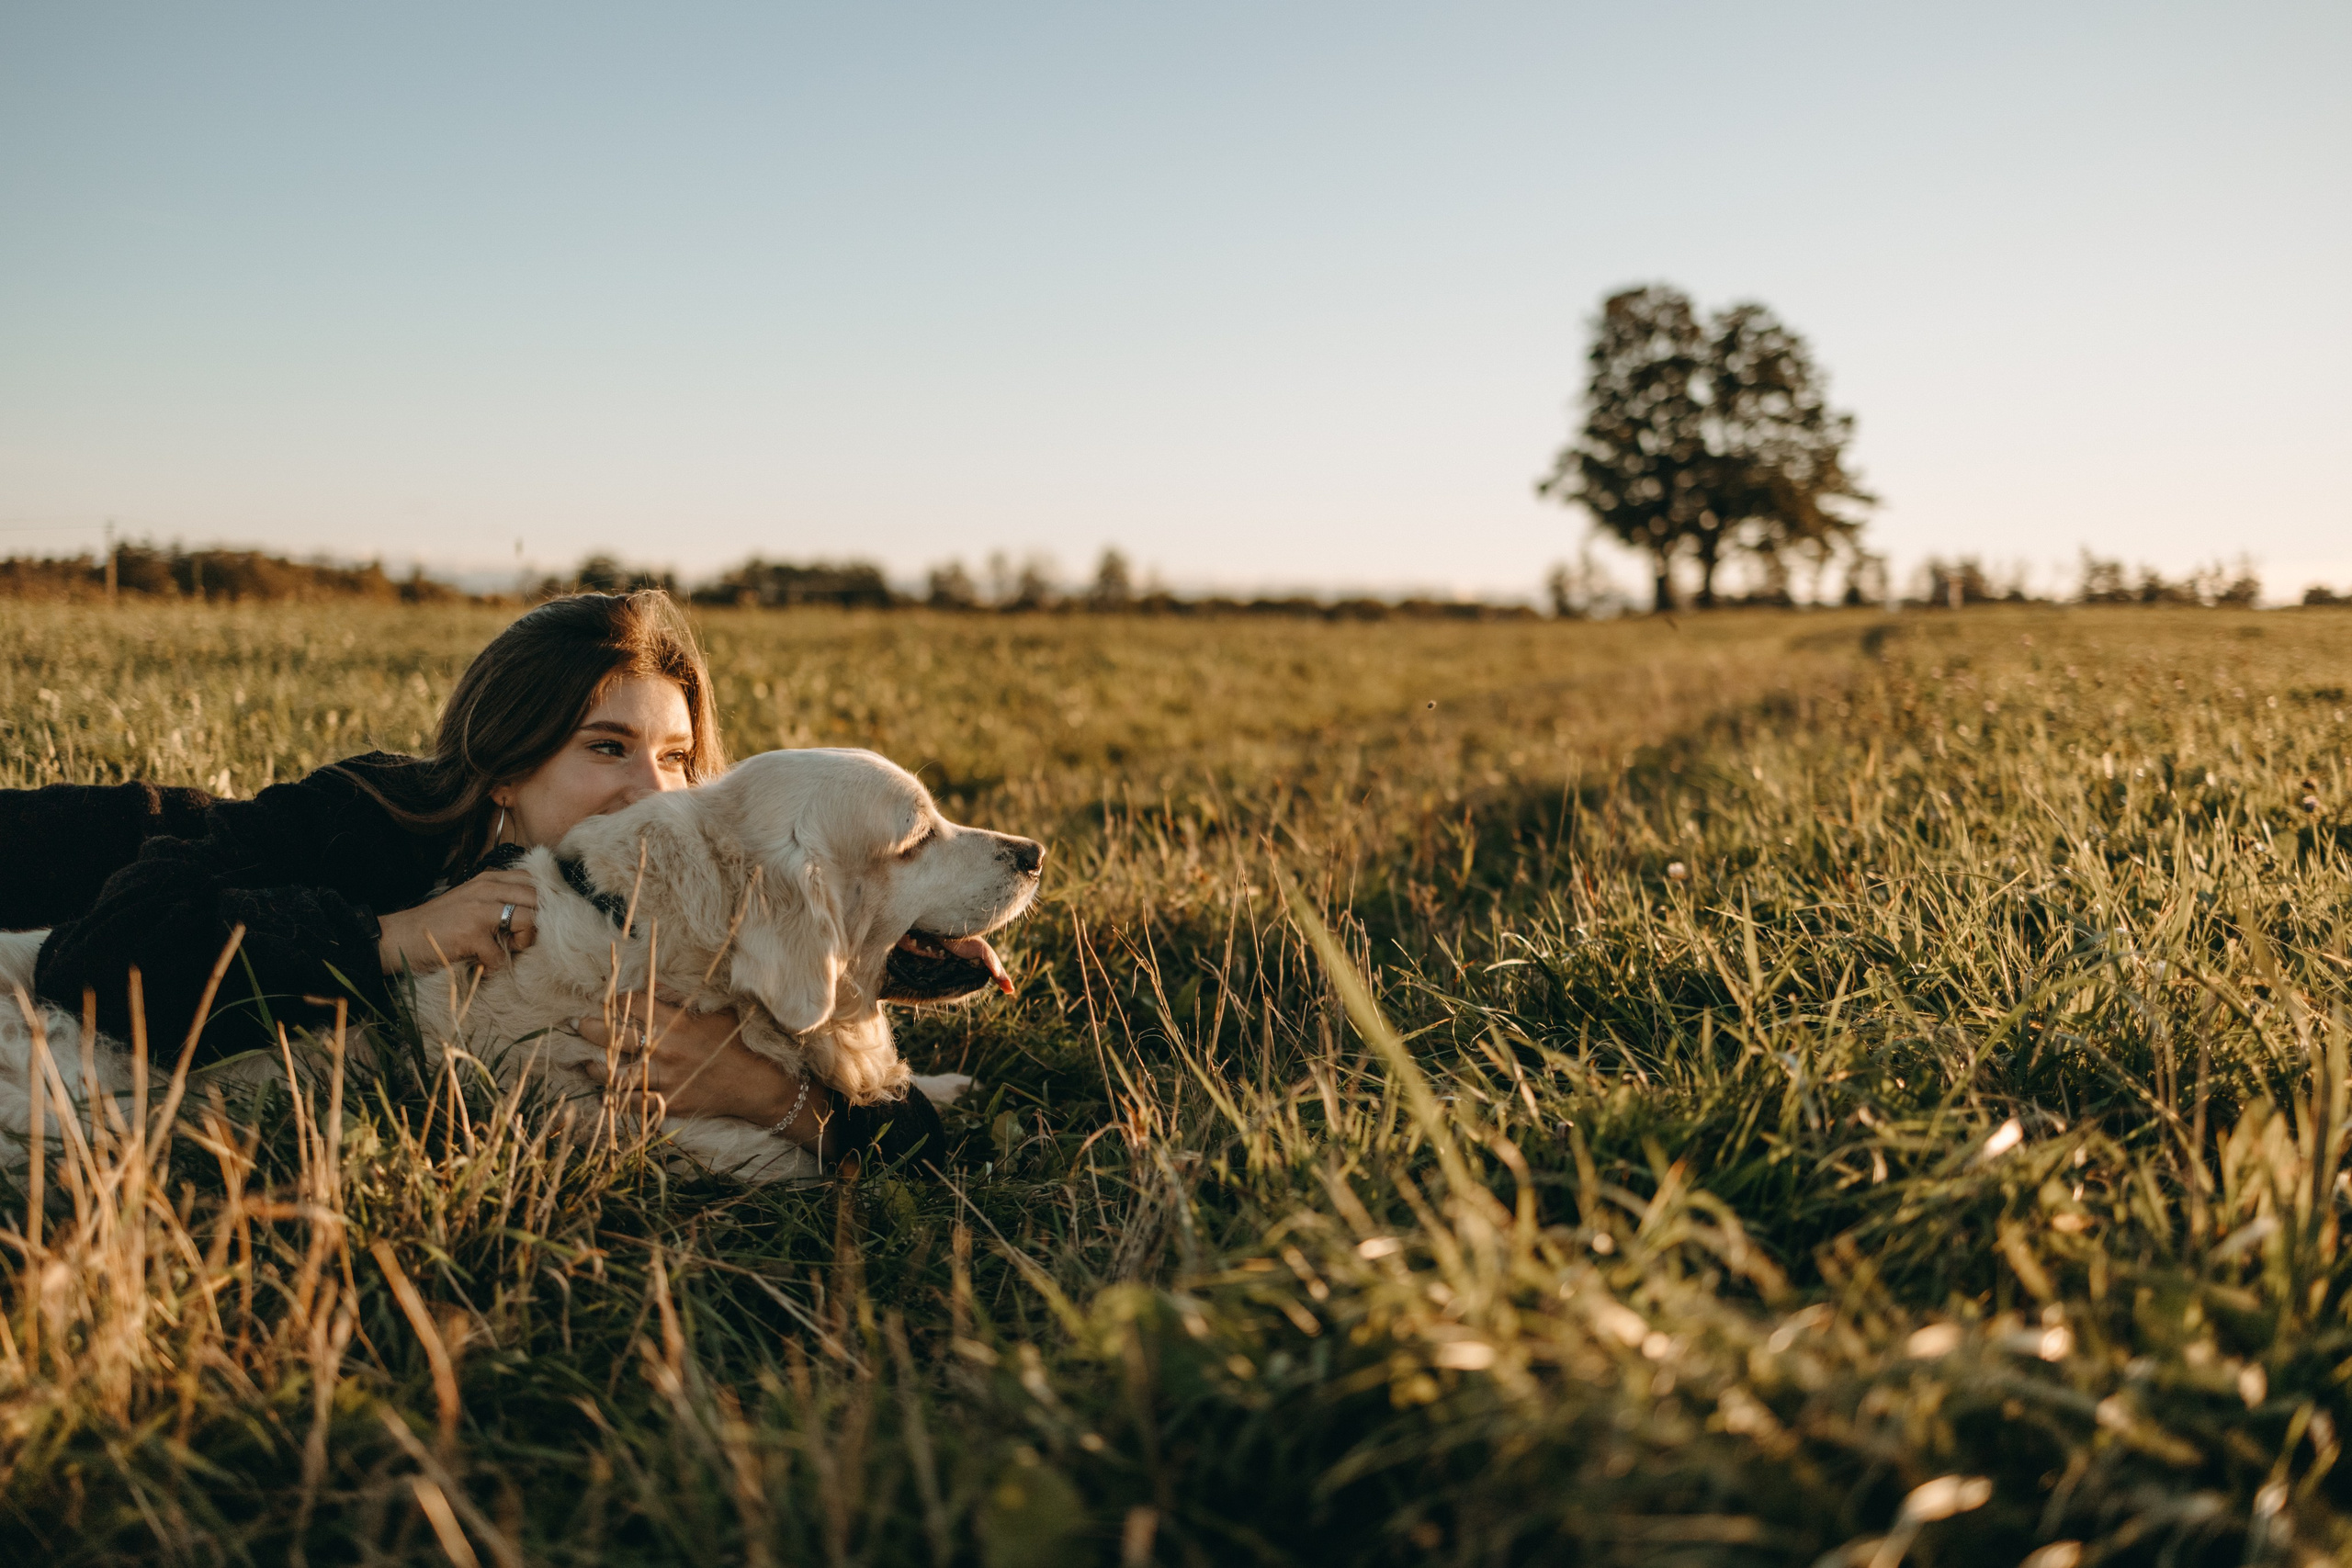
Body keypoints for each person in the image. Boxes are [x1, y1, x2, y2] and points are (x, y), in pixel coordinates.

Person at [0, 590, 940, 1168]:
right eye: (606, 747)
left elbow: (901, 1136)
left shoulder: (698, 897)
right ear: (505, 766)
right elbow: (96, 961)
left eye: (679, 757)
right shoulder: (363, 822)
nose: (655, 792)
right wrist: (396, 936)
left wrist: (769, 1099)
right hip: (60, 861)